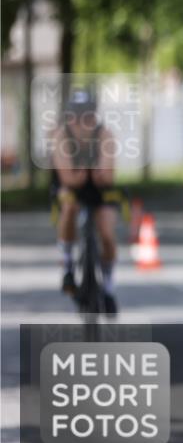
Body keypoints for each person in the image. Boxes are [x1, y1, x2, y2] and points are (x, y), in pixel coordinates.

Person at [51, 87, 120, 314]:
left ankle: (108, 288)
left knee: (108, 236)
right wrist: (89, 172)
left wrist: (93, 173)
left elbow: (107, 176)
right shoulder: (61, 135)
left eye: (88, 115)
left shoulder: (104, 134)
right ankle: (68, 264)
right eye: (76, 116)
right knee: (69, 206)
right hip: (71, 187)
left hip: (99, 190)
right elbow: (68, 177)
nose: (82, 122)